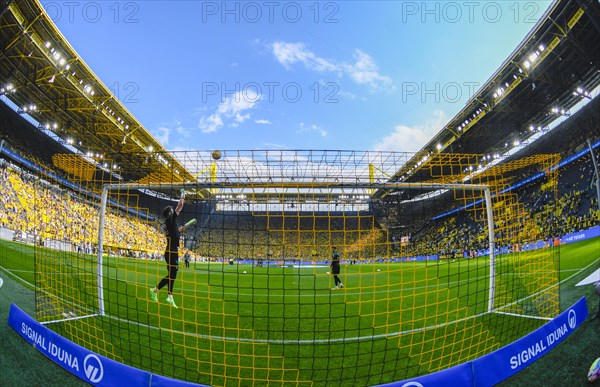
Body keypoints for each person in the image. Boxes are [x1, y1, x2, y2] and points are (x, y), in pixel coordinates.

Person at [150, 189, 188, 308]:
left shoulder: (170, 223)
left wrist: (184, 227)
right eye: (172, 210)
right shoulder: (170, 219)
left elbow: (177, 231)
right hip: (171, 251)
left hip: (171, 251)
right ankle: (157, 291)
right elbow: (180, 205)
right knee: (173, 274)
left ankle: (168, 296)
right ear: (170, 212)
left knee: (173, 274)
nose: (173, 211)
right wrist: (182, 193)